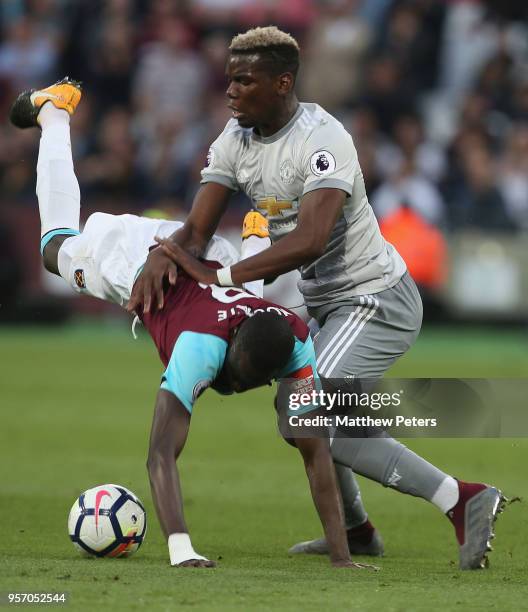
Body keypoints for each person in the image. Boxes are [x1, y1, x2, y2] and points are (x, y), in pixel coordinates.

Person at [129, 27, 505, 570]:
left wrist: (225, 275)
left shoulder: (323, 140)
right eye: (229, 79)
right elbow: (196, 229)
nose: (230, 91)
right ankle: (355, 530)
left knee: (306, 409)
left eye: (243, 80)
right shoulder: (235, 140)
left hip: (374, 298)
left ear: (282, 83)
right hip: (325, 303)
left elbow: (310, 238)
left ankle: (462, 499)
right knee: (313, 413)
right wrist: (163, 253)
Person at [9, 78, 377, 571]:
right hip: (139, 264)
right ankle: (56, 111)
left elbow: (315, 452)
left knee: (261, 315)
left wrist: (340, 557)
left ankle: (251, 230)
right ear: (235, 352)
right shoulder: (201, 347)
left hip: (209, 257)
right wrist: (182, 549)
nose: (247, 385)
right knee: (55, 247)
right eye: (248, 376)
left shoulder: (292, 337)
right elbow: (160, 454)